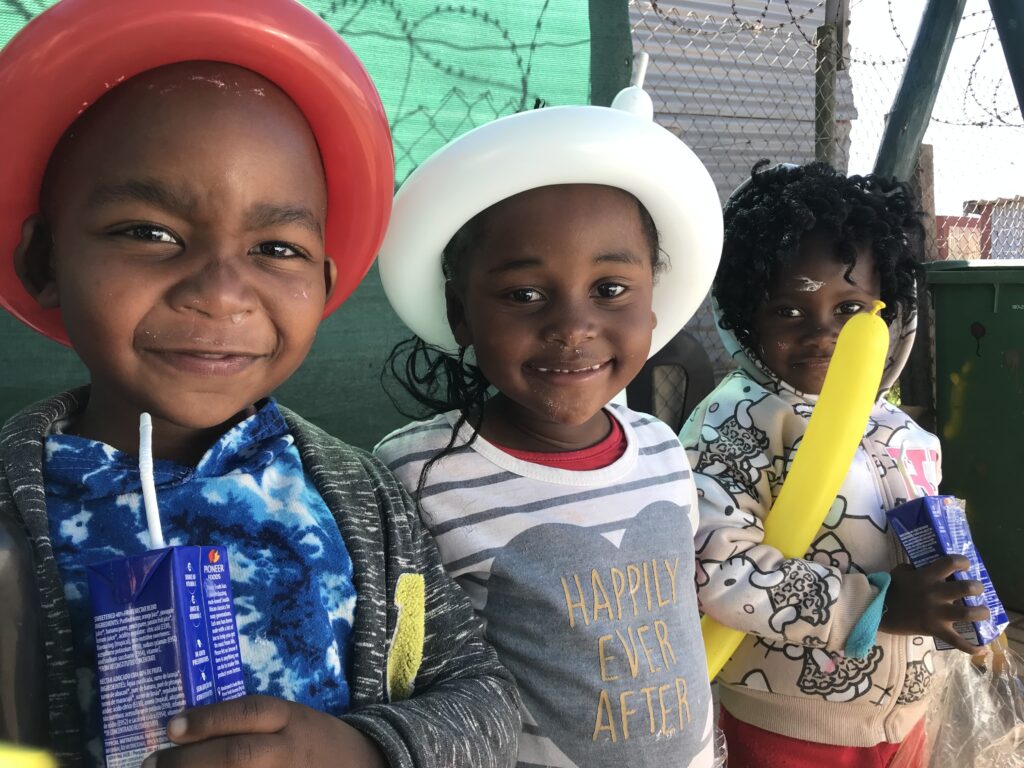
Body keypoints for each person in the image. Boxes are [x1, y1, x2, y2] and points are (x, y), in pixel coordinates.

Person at [0, 3, 519, 767]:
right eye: (150, 233)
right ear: (45, 260)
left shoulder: (363, 501)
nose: (221, 292)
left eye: (276, 247)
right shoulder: (13, 515)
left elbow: (483, 696)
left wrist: (364, 751)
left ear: (325, 281)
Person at [373, 83, 725, 767]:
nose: (572, 327)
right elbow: (405, 671)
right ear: (461, 314)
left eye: (611, 290)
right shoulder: (417, 476)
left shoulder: (661, 449)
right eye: (525, 295)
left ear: (654, 307)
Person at [680, 161, 989, 768]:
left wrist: (965, 607)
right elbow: (715, 566)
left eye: (849, 309)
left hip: (903, 718)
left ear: (886, 307)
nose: (822, 332)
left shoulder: (898, 429)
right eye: (789, 312)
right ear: (747, 316)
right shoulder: (739, 421)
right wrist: (877, 606)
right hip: (790, 726)